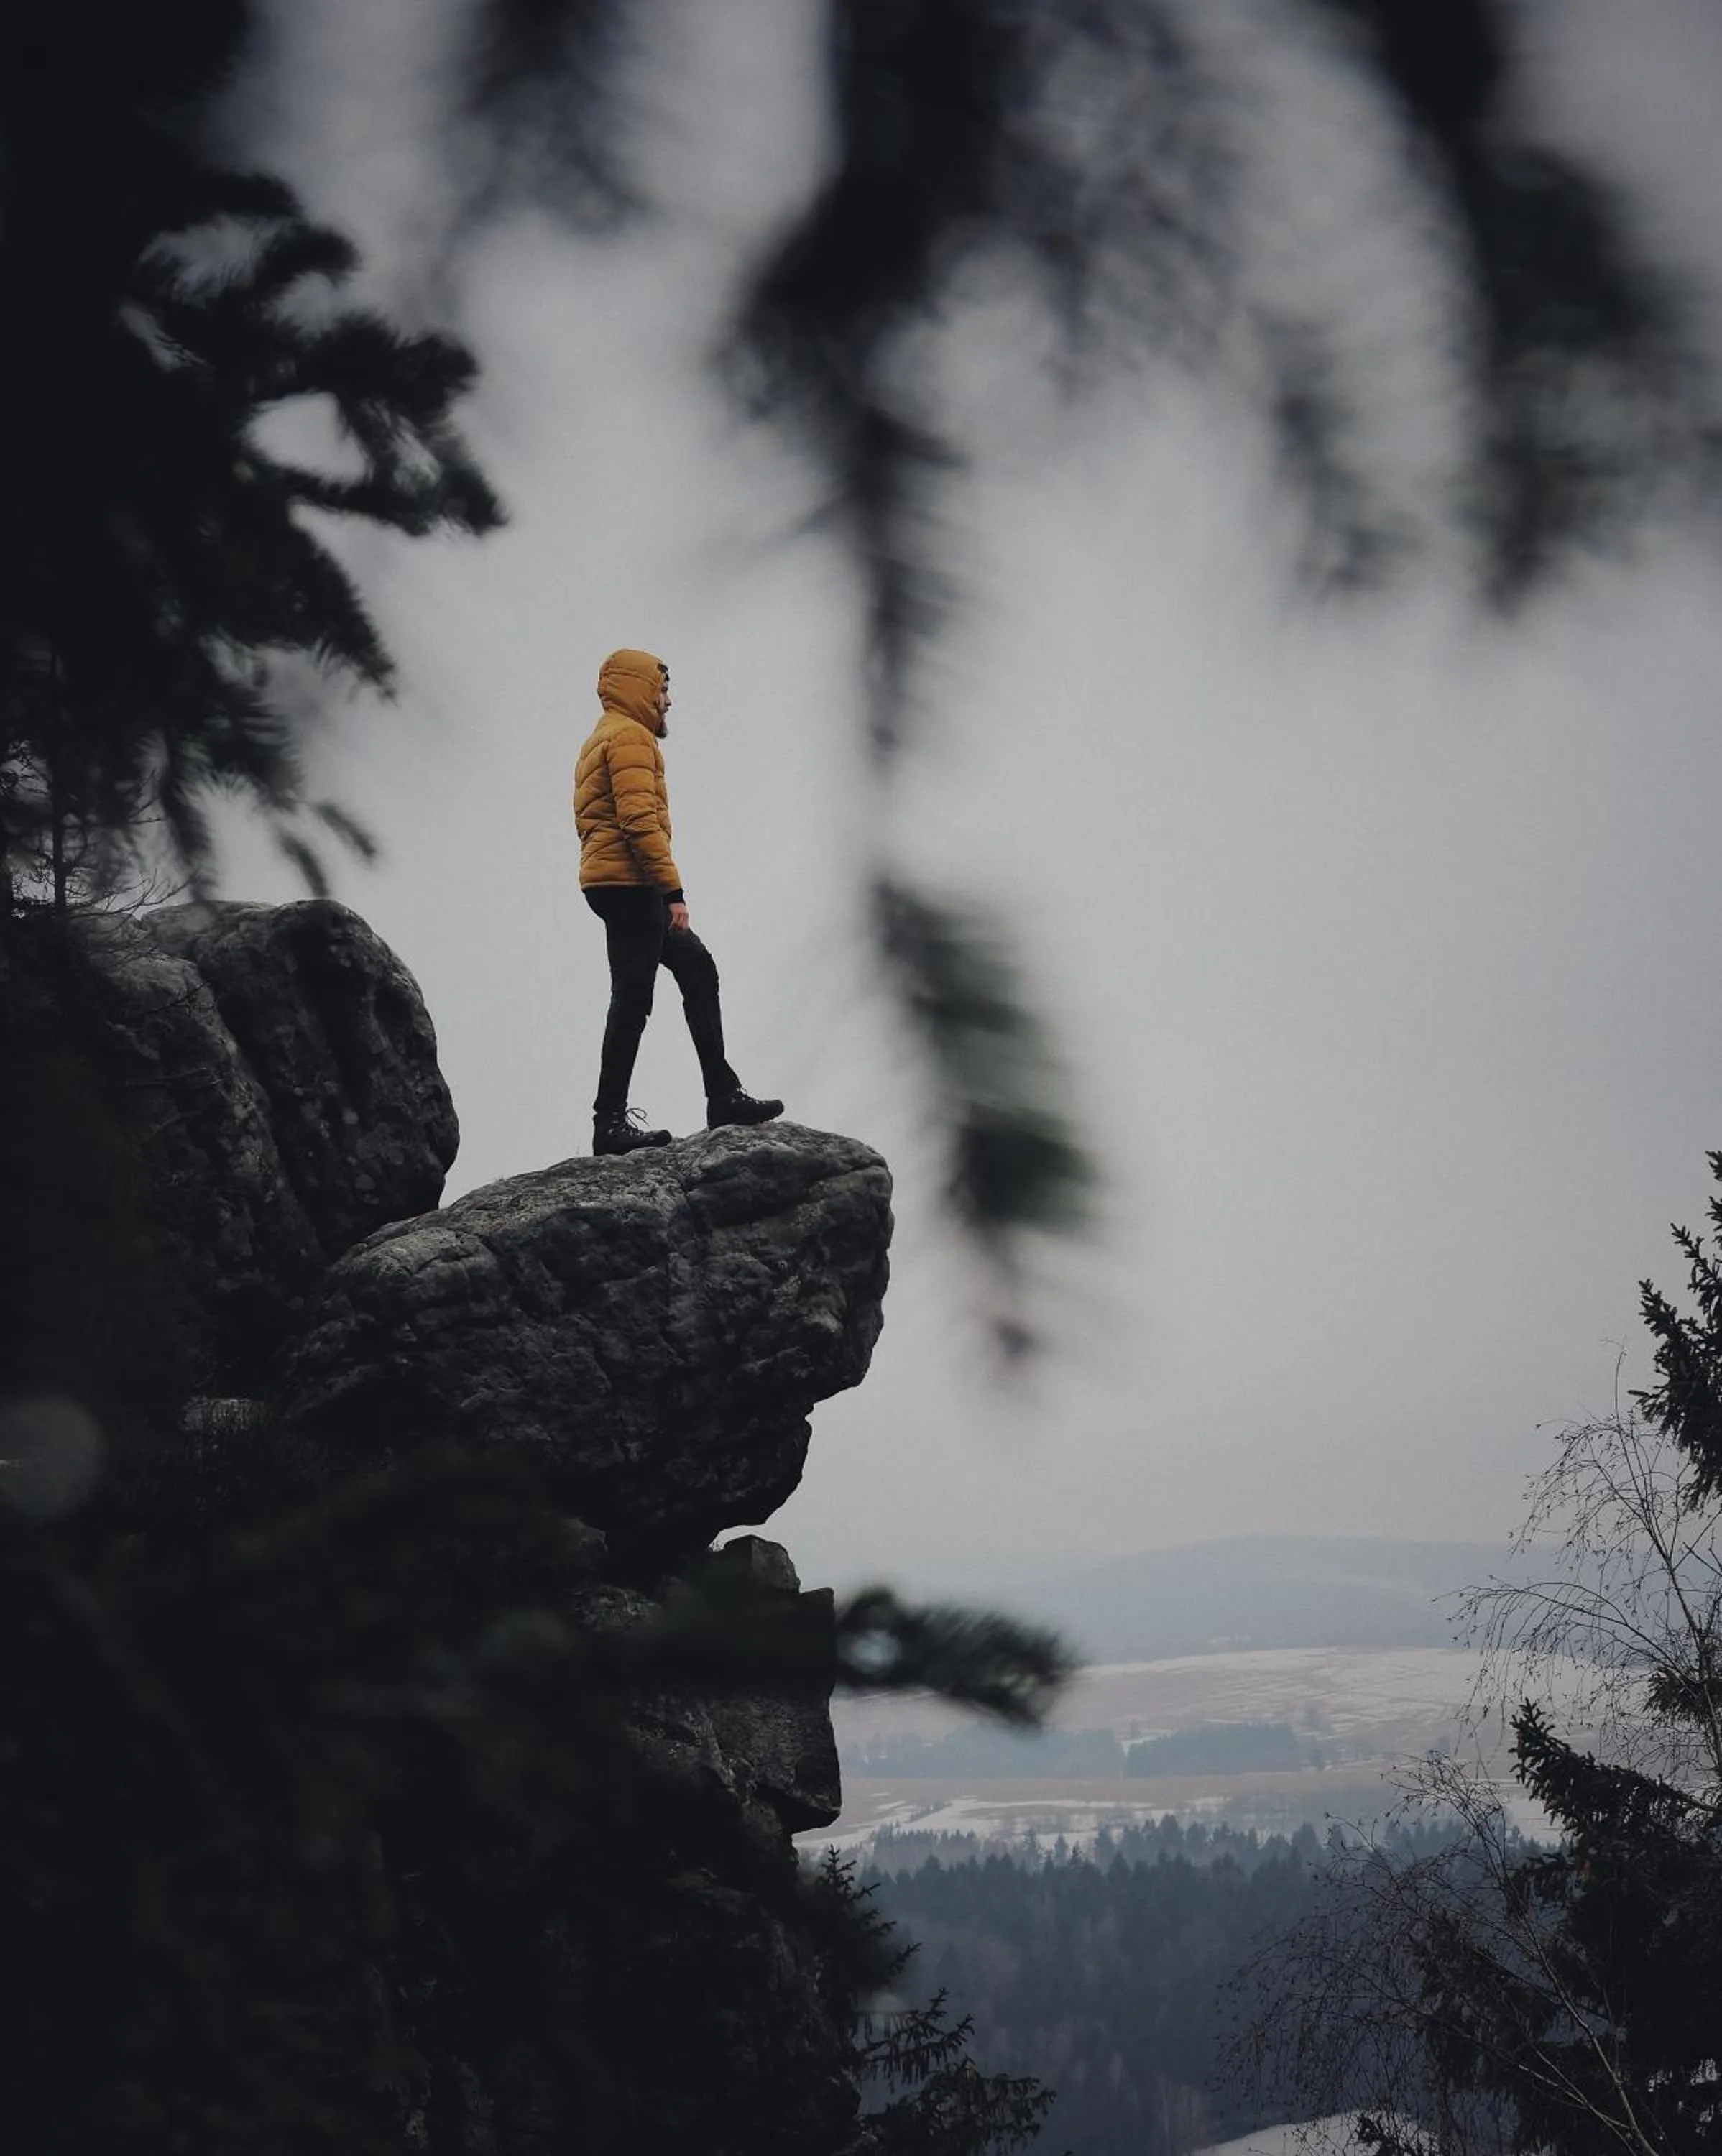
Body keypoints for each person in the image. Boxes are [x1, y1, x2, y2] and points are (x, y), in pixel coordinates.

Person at [573, 647, 783, 1155]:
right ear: (639, 690)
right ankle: (610, 1122)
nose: (668, 701)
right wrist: (673, 892)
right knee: (633, 998)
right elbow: (638, 821)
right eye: (661, 689)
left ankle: (723, 1094)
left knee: (695, 967)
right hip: (631, 884)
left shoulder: (606, 735)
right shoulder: (629, 737)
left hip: (614, 882)